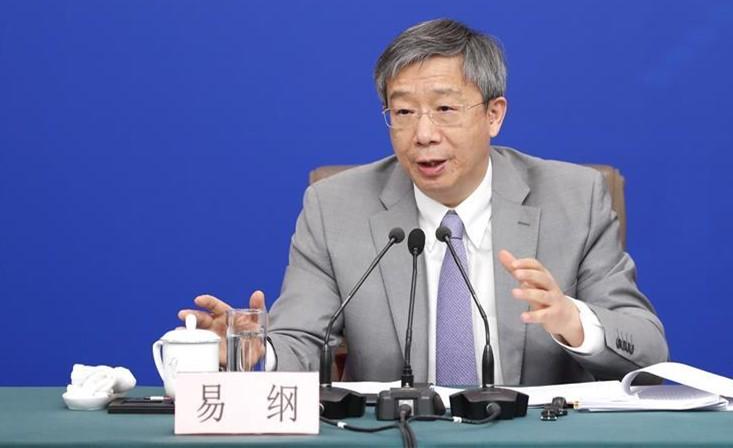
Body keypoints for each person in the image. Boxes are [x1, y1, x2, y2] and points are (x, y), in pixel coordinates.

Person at [179, 19, 668, 386]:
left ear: (494, 115)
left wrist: (572, 320)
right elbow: (303, 340)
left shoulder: (574, 198)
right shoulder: (335, 208)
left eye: (445, 109)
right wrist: (253, 351)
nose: (423, 134)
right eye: (403, 112)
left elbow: (647, 347)